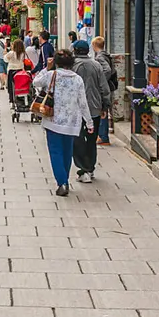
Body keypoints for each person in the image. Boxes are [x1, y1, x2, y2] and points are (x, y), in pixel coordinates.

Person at [33, 50, 93, 197]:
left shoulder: (50, 75)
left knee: (55, 152)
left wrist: (47, 68)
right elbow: (83, 102)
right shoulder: (78, 79)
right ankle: (64, 178)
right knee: (67, 152)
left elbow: (35, 81)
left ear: (56, 62)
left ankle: (62, 182)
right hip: (72, 122)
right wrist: (89, 122)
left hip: (53, 120)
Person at [71, 40, 111, 182]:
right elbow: (104, 88)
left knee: (78, 139)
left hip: (76, 109)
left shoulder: (72, 66)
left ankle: (84, 169)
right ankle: (90, 168)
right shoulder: (96, 65)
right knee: (92, 140)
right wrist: (105, 106)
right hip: (94, 108)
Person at [92, 36, 118, 146]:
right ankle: (103, 135)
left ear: (94, 46)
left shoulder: (99, 57)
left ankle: (103, 136)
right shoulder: (106, 55)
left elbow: (107, 70)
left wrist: (101, 80)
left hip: (105, 87)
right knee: (104, 110)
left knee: (102, 110)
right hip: (109, 86)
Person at [5, 39, 26, 106]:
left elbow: (5, 59)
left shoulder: (11, 53)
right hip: (20, 70)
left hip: (12, 70)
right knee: (19, 86)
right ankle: (20, 98)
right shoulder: (23, 53)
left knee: (11, 86)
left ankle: (12, 100)